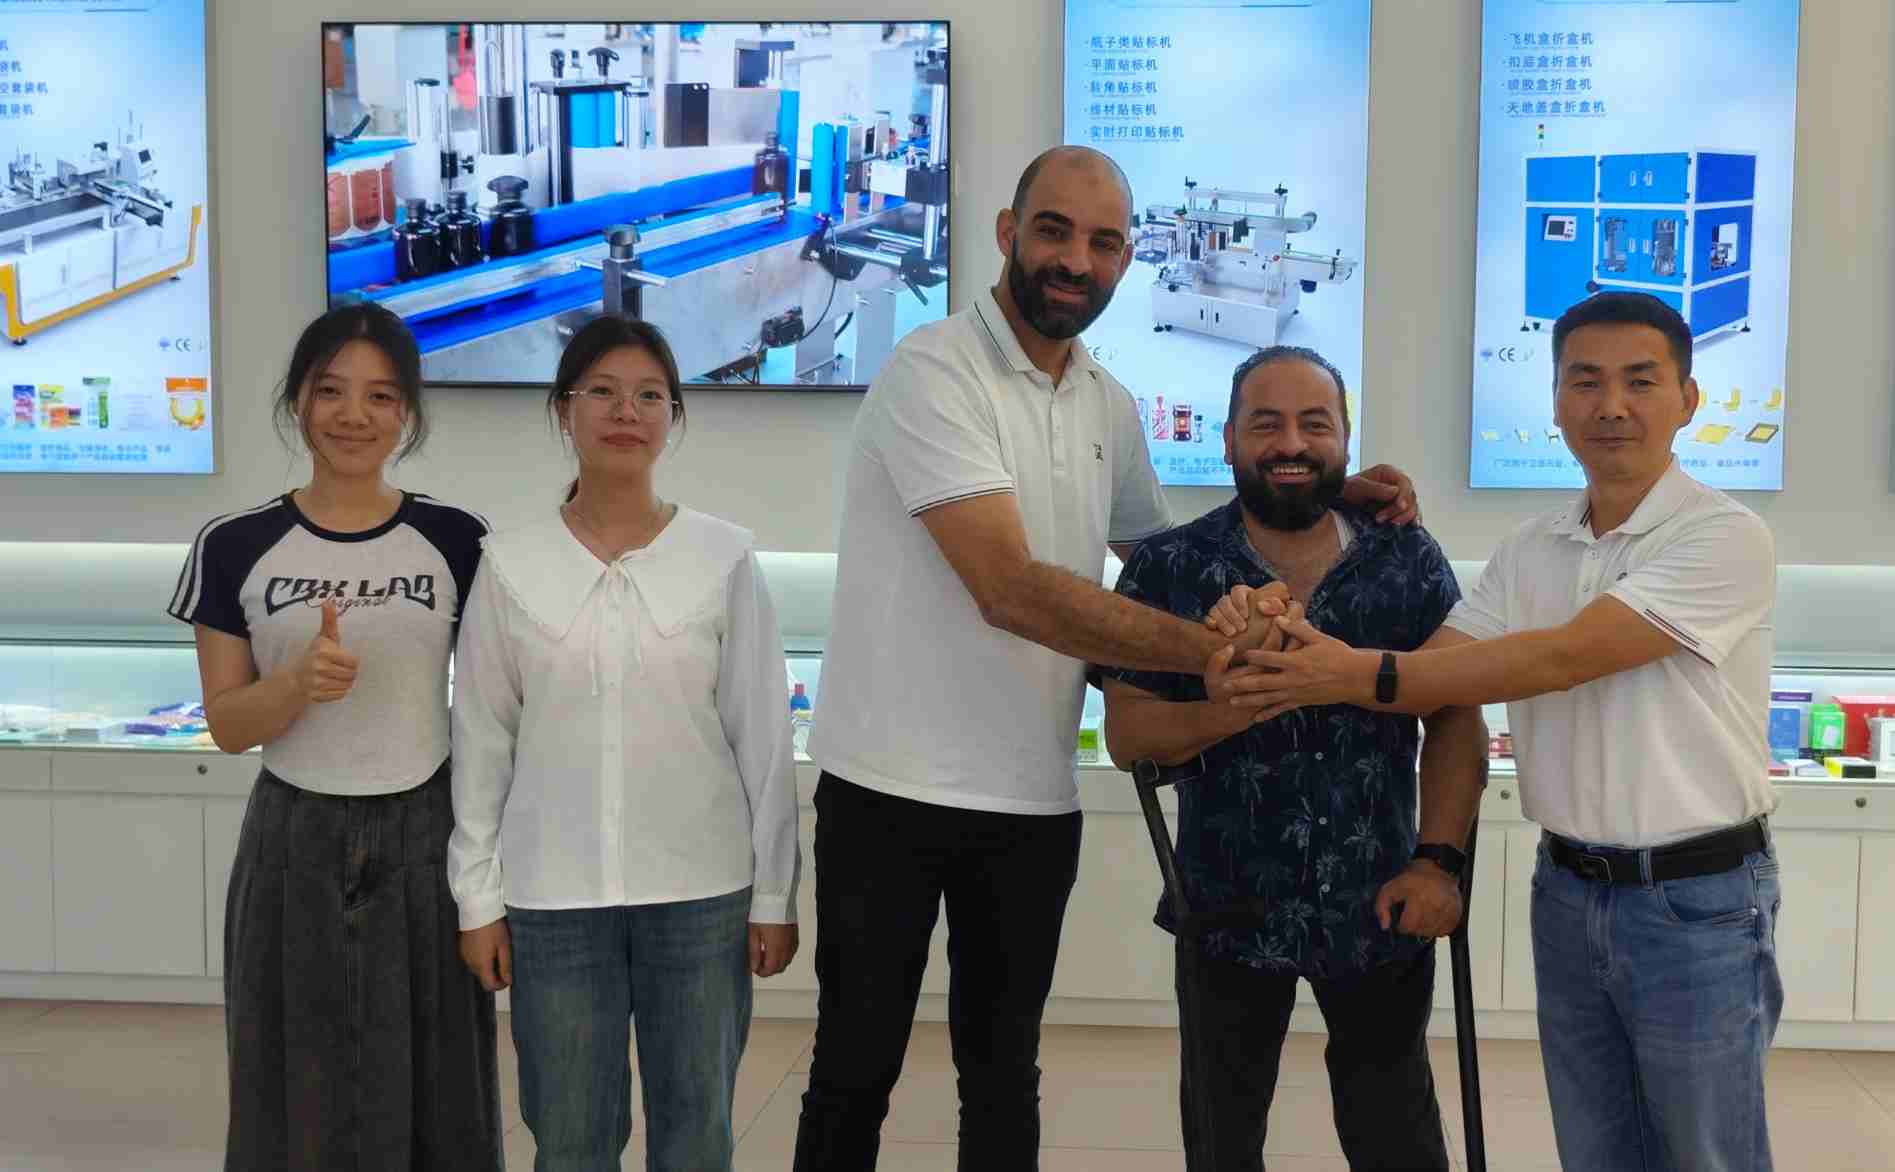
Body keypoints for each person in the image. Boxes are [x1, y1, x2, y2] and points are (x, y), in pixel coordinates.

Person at [792, 144, 1422, 1171]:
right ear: (1006, 232)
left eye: (1101, 241)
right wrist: (1204, 654)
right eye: (1053, 231)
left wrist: (1305, 482)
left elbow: (1168, 557)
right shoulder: (932, 369)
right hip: (889, 792)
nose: (1073, 259)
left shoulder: (1105, 402)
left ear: (1128, 257)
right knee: (854, 1066)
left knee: (1001, 1071)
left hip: (1031, 801)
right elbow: (1009, 586)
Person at [1215, 293, 1781, 1171]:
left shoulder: (1722, 537)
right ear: (1554, 401)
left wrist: (1352, 670)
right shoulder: (1531, 548)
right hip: (1566, 891)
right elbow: (1438, 668)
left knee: (1704, 1153)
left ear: (1688, 399)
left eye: (1640, 381)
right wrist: (1283, 632)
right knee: (1594, 1147)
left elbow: (1557, 658)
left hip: (1694, 902)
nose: (1610, 406)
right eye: (1584, 382)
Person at [1097, 345, 1487, 1171]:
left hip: (1382, 899)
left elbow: (1455, 716)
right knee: (1221, 1137)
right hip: (1222, 910)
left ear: (1345, 440)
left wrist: (1438, 864)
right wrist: (1228, 705)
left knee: (1397, 1133)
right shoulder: (1171, 566)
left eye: (1314, 423)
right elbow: (1130, 736)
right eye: (1265, 423)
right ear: (1228, 440)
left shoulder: (1404, 556)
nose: (1290, 443)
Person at [448, 315, 800, 1172]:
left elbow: (763, 739)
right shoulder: (510, 564)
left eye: (649, 395)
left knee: (695, 1133)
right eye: (601, 391)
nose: (625, 411)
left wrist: (775, 896)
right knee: (569, 1136)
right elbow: (482, 739)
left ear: (673, 417)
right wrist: (477, 898)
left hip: (702, 896)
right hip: (552, 899)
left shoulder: (721, 560)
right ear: (562, 410)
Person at [168, 303, 501, 1172]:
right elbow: (228, 727)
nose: (355, 415)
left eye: (381, 396)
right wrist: (291, 686)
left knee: (439, 1080)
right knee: (293, 1078)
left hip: (428, 827)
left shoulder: (458, 540)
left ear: (407, 414)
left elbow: (501, 703)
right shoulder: (235, 544)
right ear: (299, 402)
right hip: (294, 833)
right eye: (332, 392)